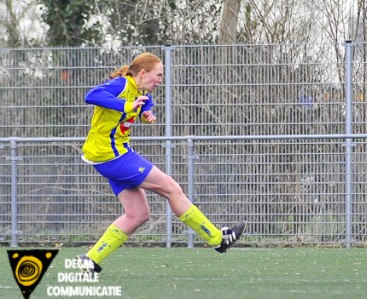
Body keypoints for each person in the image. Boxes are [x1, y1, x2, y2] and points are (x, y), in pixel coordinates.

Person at [77, 52, 245, 276]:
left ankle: (90, 260)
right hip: (112, 155)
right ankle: (217, 238)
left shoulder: (140, 90)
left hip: (109, 156)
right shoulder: (121, 84)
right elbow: (92, 95)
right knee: (171, 188)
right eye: (158, 75)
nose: (160, 80)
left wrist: (146, 111)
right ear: (143, 72)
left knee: (137, 214)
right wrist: (127, 106)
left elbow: (146, 101)